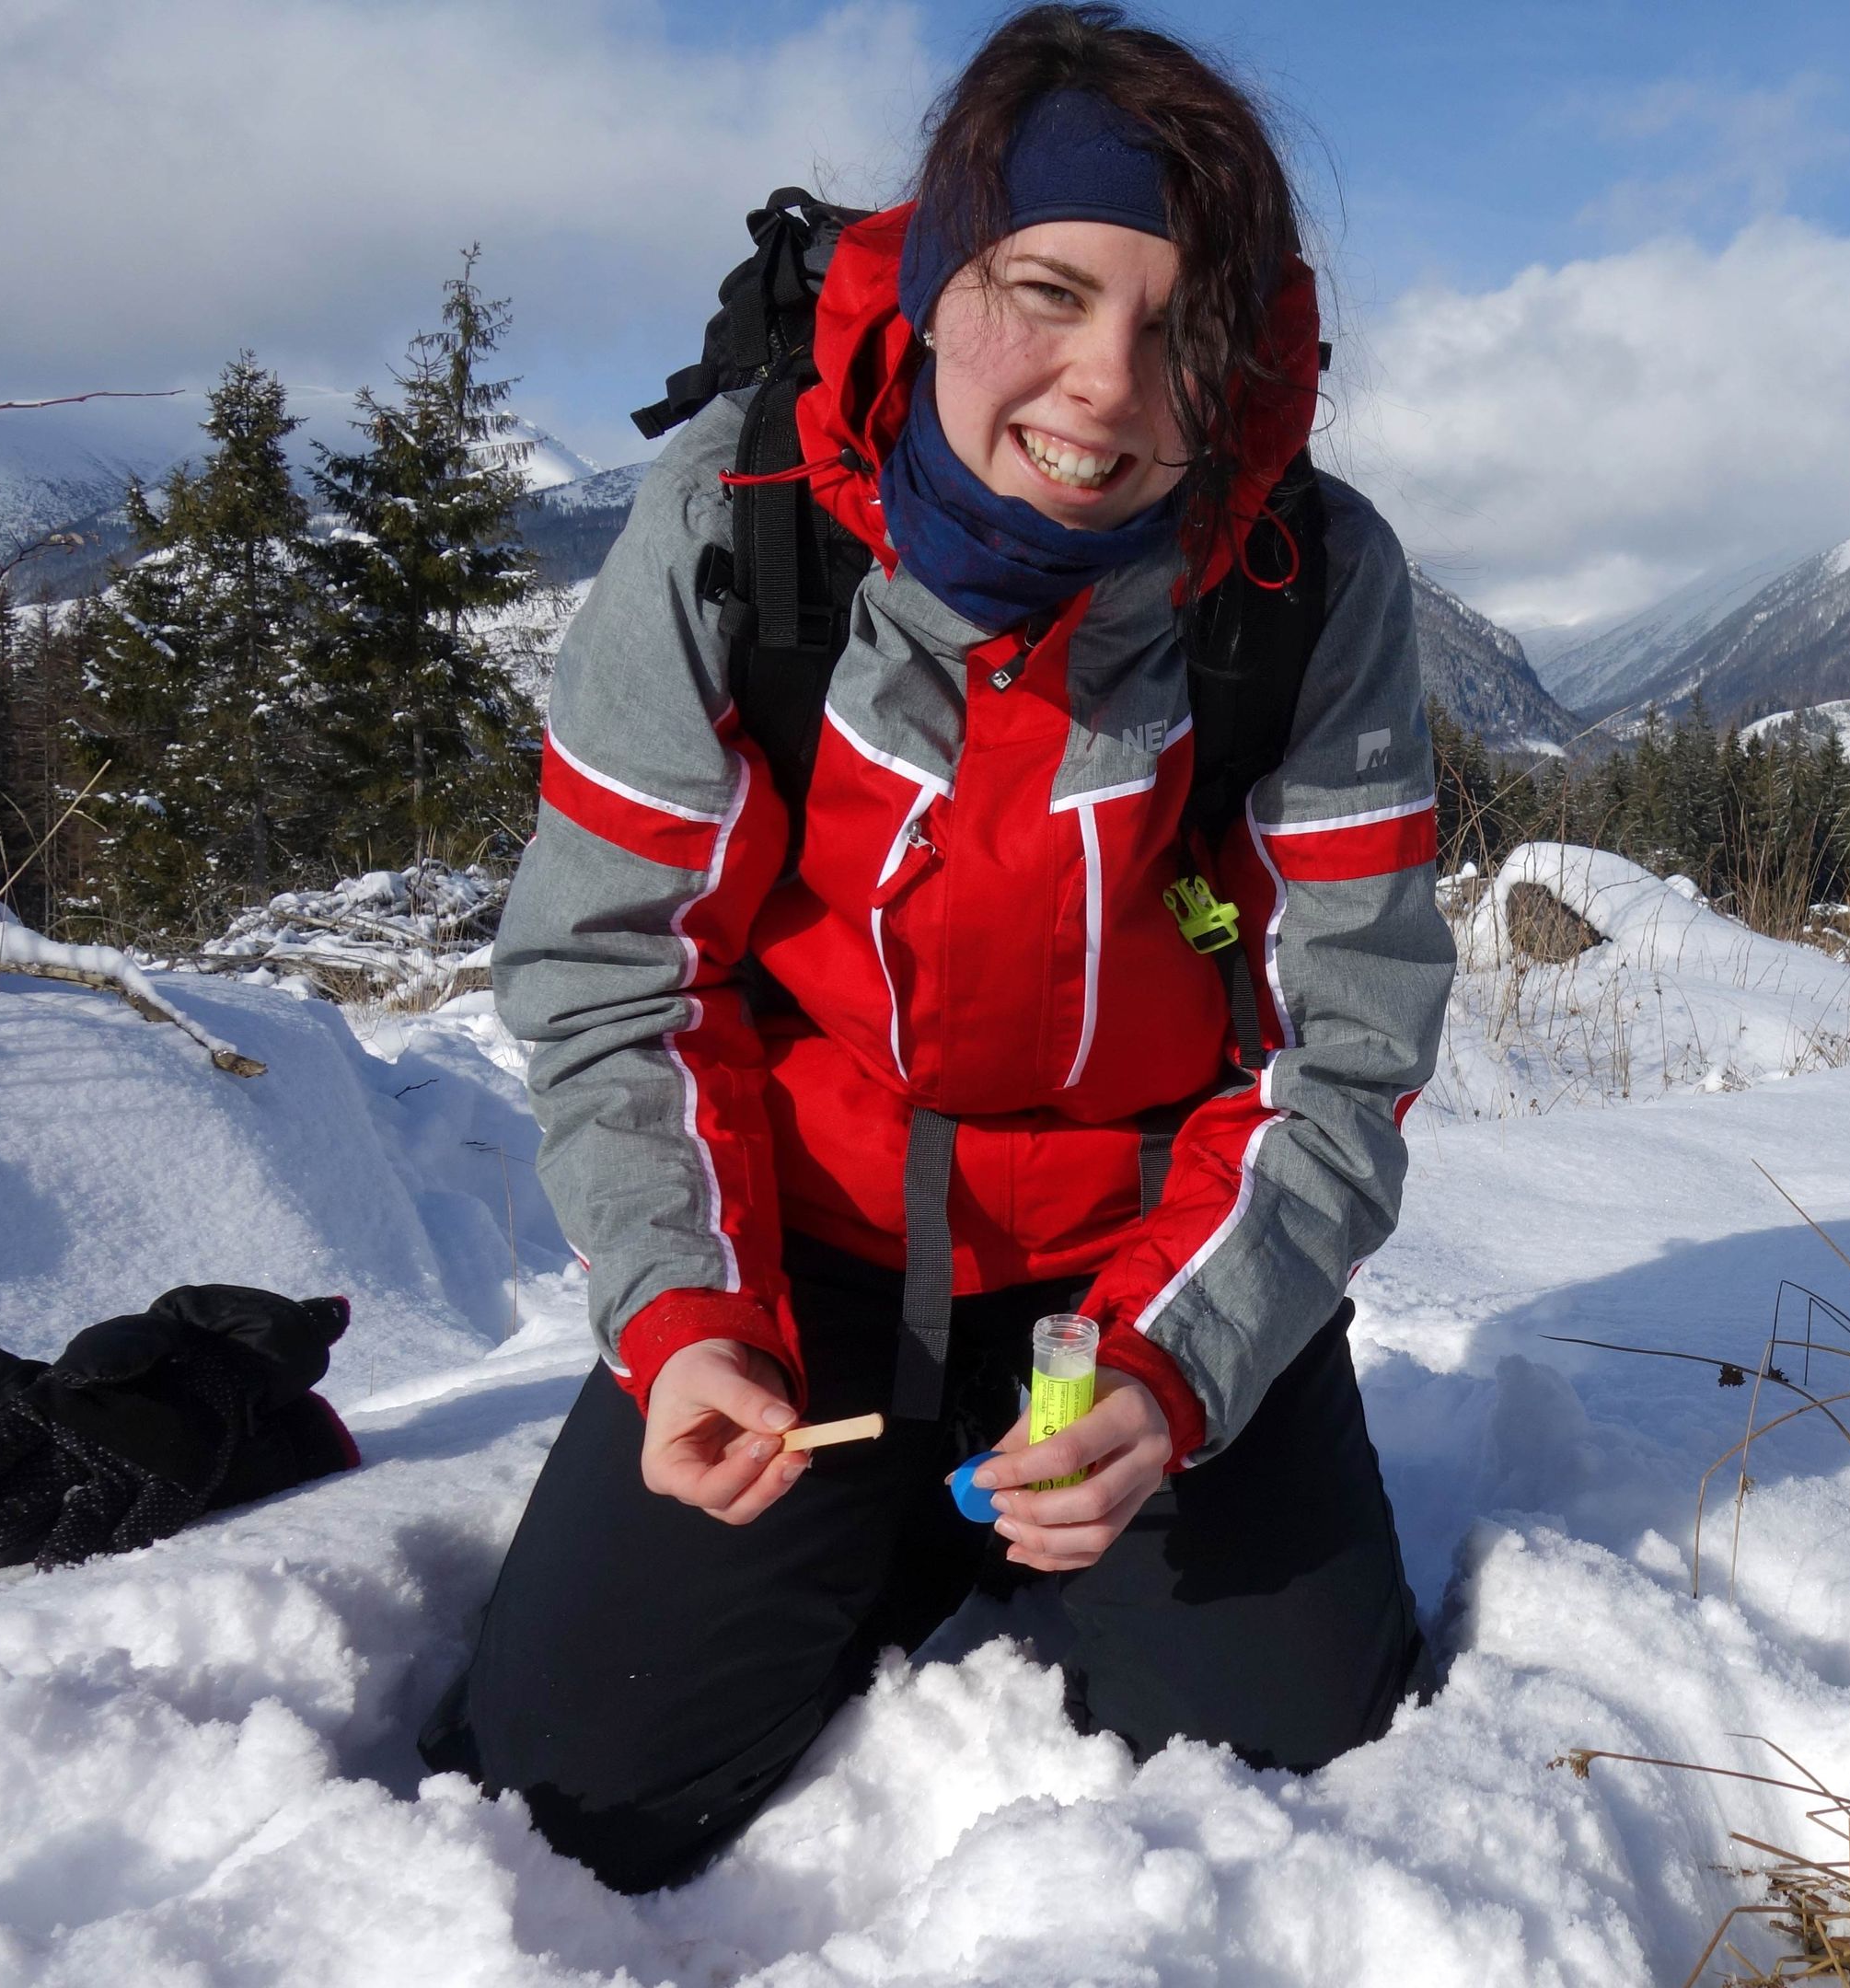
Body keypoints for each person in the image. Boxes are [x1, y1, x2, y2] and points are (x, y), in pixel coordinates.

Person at [422, 3, 1453, 1893]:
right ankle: (881, 1505)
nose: (1105, 386)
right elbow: (615, 977)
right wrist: (685, 1317)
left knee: (1299, 1749)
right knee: (566, 1789)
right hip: (799, 1268)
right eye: (1049, 291)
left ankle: (1010, 1497)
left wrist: (1170, 1367)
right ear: (942, 265)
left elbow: (1346, 1048)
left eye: (1178, 329)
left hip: (1137, 1286)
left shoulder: (1309, 590)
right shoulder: (742, 531)